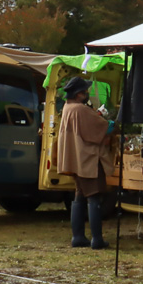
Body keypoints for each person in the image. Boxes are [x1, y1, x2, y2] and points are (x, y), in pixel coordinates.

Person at [52, 77, 110, 248]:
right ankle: (97, 239)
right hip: (87, 159)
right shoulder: (80, 109)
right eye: (85, 91)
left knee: (79, 197)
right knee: (93, 198)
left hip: (75, 160)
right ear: (79, 94)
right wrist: (113, 122)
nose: (87, 94)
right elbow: (103, 127)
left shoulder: (67, 108)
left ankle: (78, 236)